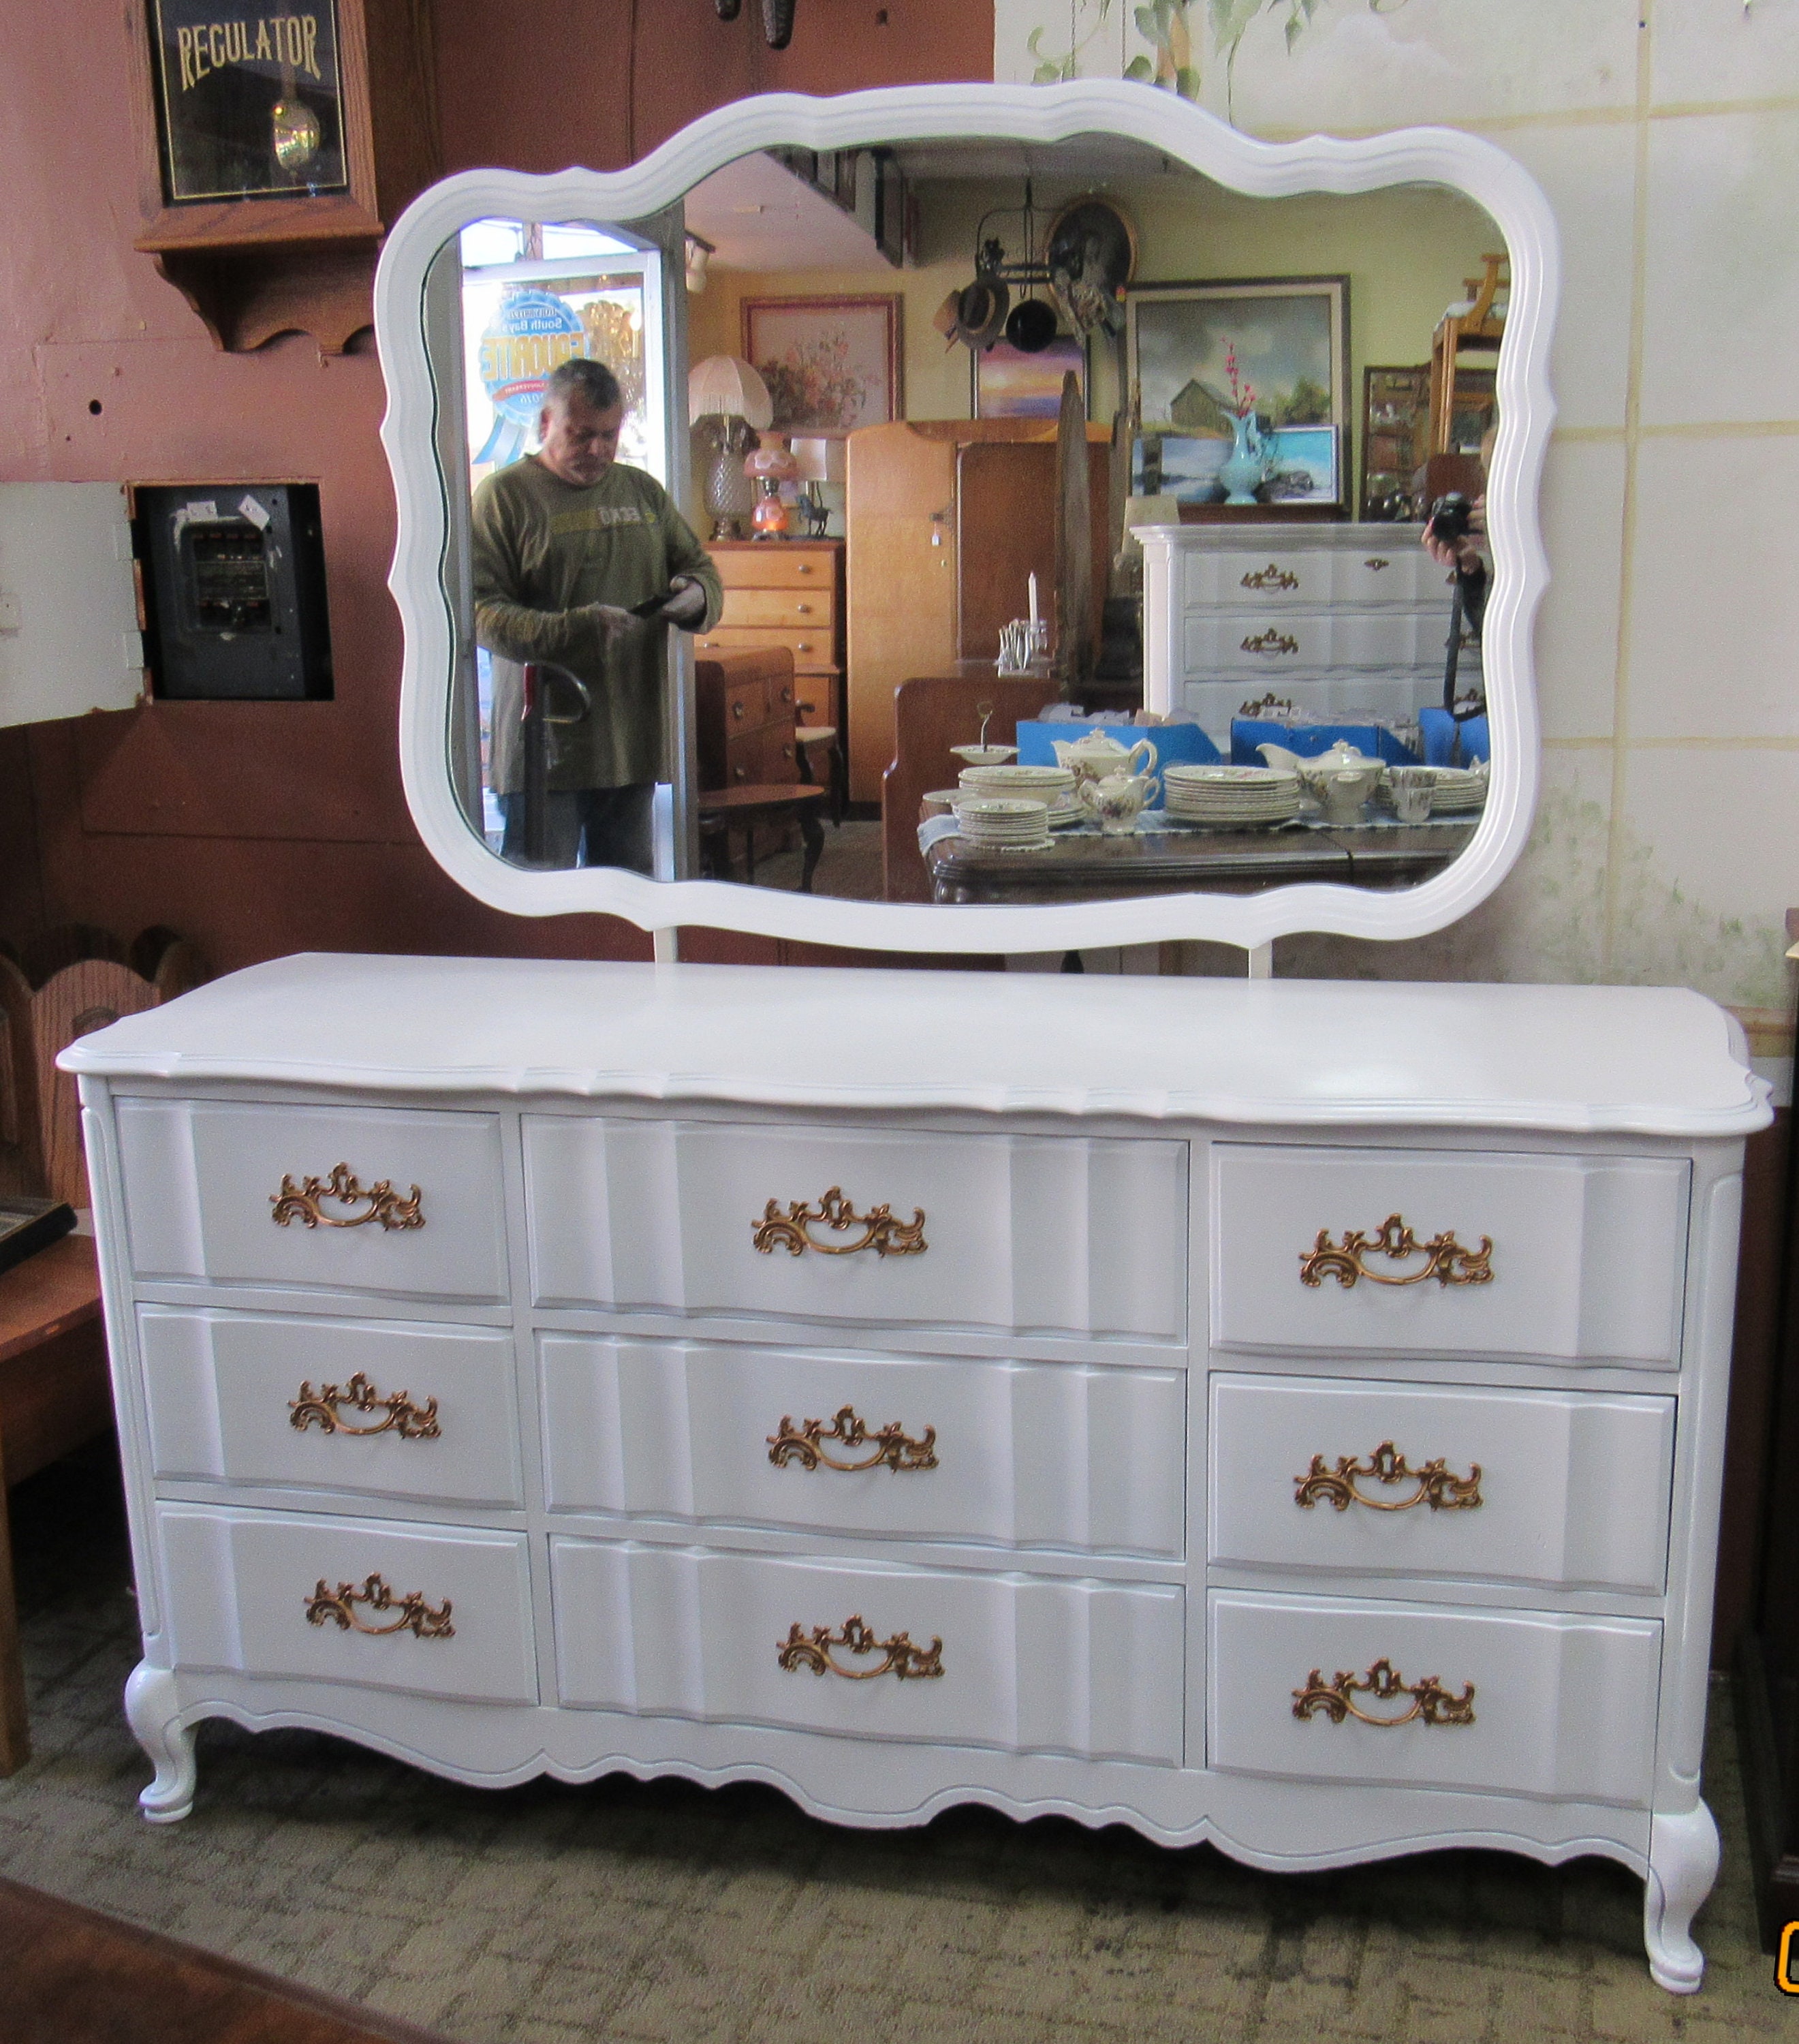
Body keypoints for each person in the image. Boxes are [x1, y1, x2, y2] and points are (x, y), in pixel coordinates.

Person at [471, 357, 723, 872]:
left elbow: (699, 567)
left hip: (630, 744)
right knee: (548, 920)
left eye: (610, 436)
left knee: (630, 913)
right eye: (582, 434)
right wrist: (579, 629)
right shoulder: (503, 498)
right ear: (545, 423)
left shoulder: (641, 491)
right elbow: (481, 614)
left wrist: (696, 596)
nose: (598, 451)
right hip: (544, 751)